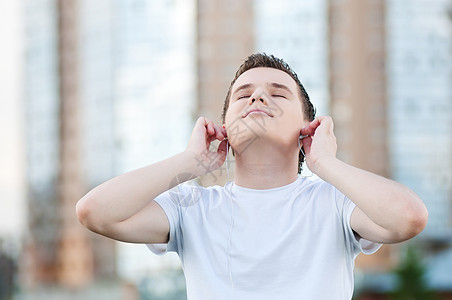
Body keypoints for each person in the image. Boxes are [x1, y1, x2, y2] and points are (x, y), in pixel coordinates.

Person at [76, 53, 428, 299]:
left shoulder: (334, 202)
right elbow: (94, 211)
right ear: (225, 127)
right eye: (243, 95)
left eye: (277, 93)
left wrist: (325, 163)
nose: (258, 96)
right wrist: (190, 162)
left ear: (308, 128)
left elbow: (409, 218)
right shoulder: (192, 206)